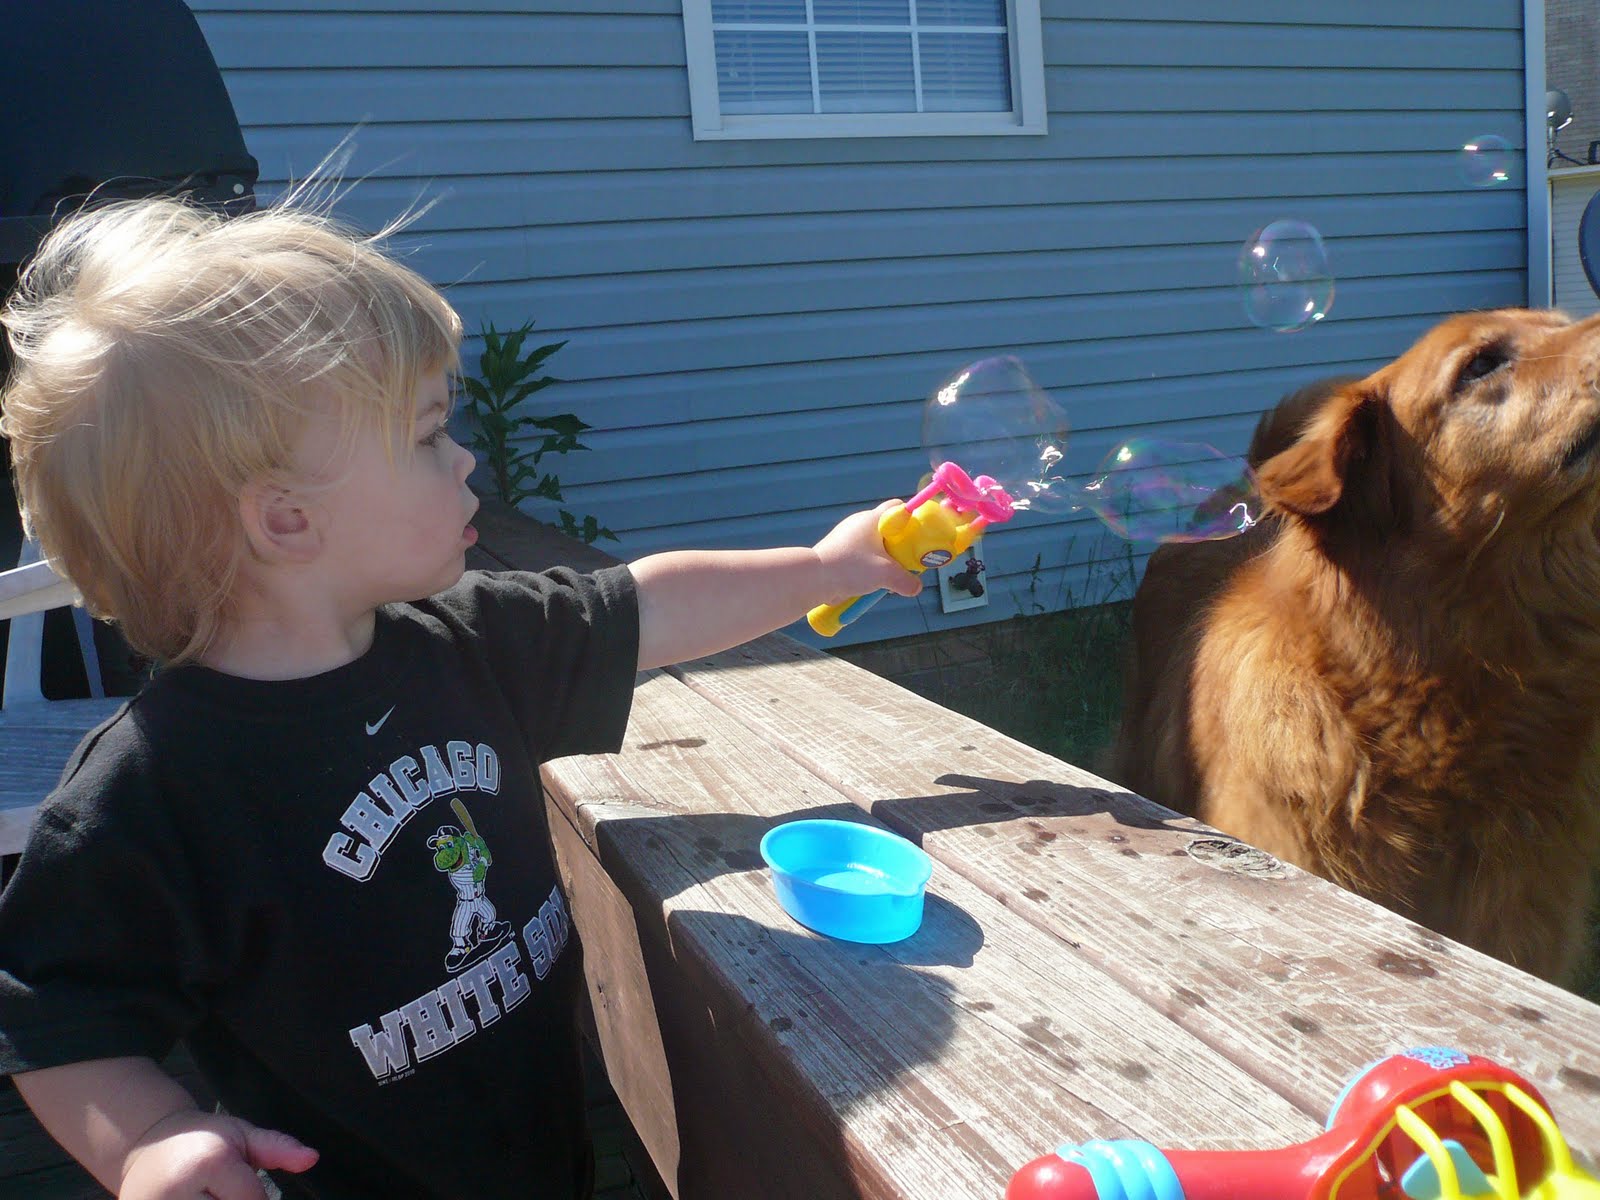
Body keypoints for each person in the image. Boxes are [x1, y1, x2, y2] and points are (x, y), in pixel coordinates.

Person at [0, 193, 921, 1199]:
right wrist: (149, 1139)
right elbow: (53, 1014)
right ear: (286, 521)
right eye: (430, 435)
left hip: (545, 1153)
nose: (466, 459)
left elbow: (647, 609)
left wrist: (830, 569)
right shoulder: (154, 792)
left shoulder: (465, 642)